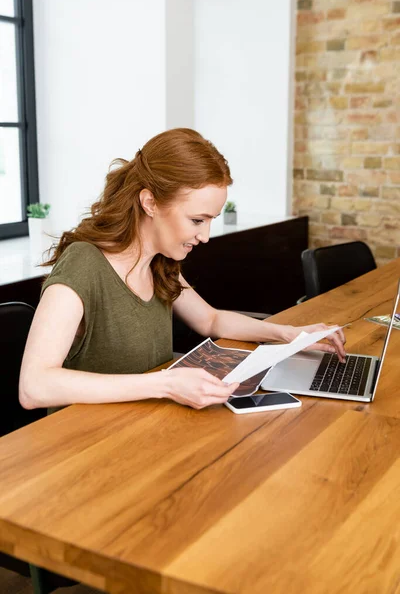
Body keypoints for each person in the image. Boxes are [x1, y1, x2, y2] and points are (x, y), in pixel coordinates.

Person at [19, 128, 346, 412]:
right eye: (196, 220)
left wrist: (288, 335)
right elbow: (34, 387)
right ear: (149, 203)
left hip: (143, 427)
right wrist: (165, 385)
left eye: (210, 221)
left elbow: (211, 320)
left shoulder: (160, 262)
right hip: (83, 446)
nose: (204, 236)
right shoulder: (84, 263)